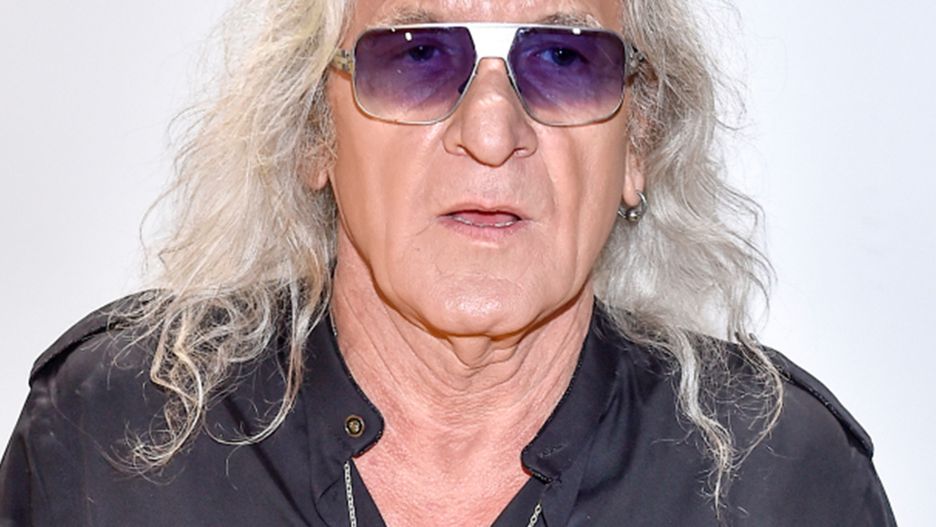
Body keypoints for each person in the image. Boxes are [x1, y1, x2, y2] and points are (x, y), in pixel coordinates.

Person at [0, 0, 895, 525]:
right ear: (314, 131)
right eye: (417, 54)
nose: (492, 132)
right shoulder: (107, 435)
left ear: (639, 142)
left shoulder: (787, 480)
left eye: (565, 58)